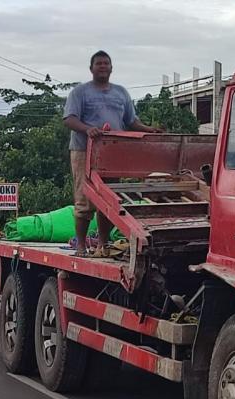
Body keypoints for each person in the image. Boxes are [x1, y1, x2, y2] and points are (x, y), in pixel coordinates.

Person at [63, 50, 160, 257]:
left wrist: (148, 130)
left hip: (112, 154)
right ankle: (81, 245)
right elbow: (69, 119)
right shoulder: (80, 93)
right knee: (84, 199)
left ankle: (104, 245)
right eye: (98, 63)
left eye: (106, 63)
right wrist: (88, 128)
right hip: (84, 151)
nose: (103, 66)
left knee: (108, 200)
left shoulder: (121, 93)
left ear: (111, 68)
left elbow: (131, 122)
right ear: (91, 68)